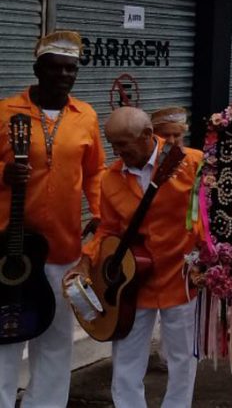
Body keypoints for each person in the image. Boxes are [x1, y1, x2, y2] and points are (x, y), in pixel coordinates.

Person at [66, 108, 200, 408]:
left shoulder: (191, 163)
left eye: (123, 144)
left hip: (182, 277)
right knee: (125, 359)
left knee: (182, 359)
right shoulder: (111, 179)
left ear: (147, 136)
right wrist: (86, 260)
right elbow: (109, 230)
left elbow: (209, 216)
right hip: (133, 281)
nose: (117, 151)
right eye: (112, 143)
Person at [0, 30, 105, 408]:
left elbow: (95, 173)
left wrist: (99, 214)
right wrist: (3, 174)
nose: (64, 75)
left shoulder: (86, 116)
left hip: (62, 245)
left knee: (56, 336)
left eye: (71, 69)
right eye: (56, 68)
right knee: (5, 335)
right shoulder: (5, 111)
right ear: (38, 68)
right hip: (8, 247)